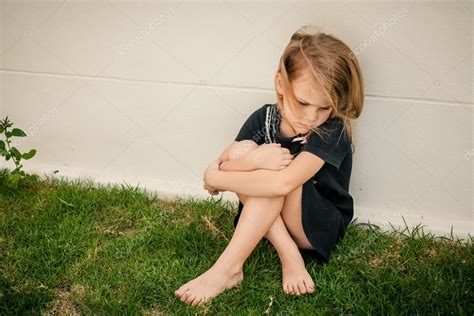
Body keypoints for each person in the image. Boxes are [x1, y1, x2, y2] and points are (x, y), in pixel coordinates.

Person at [174, 25, 364, 307]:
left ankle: (227, 269)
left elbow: (282, 184)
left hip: (316, 225)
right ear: (280, 84)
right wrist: (251, 160)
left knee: (277, 173)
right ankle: (285, 253)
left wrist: (214, 177)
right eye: (302, 102)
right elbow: (230, 159)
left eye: (324, 108)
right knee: (245, 150)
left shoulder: (332, 130)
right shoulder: (264, 118)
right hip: (275, 218)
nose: (312, 117)